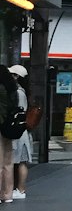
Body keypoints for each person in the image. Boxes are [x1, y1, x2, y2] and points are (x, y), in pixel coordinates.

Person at [9, 66, 31, 200]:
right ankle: (19, 189)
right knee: (20, 161)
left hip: (19, 132)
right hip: (21, 131)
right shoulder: (22, 91)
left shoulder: (18, 93)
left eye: (12, 74)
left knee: (20, 161)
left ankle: (21, 190)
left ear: (17, 77)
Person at [0, 65, 18, 204]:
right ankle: (7, 194)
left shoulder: (0, 88)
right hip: (10, 127)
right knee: (8, 162)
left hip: (0, 126)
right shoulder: (14, 89)